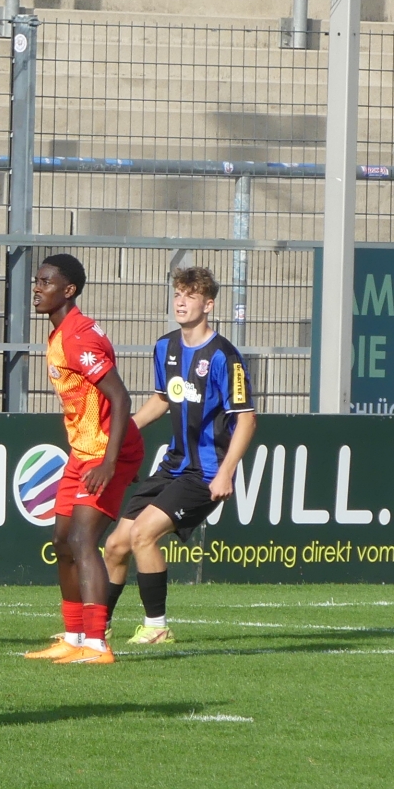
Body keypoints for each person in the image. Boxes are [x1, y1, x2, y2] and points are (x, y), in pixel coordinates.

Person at [103, 266, 256, 646]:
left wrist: (226, 472)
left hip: (205, 472)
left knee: (142, 534)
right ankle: (96, 628)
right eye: (177, 295)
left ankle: (157, 627)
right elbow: (162, 398)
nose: (181, 302)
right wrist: (124, 433)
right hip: (173, 465)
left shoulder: (224, 356)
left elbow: (247, 419)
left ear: (209, 304)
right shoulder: (165, 347)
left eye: (190, 296)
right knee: (116, 545)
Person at [23, 254, 144, 666]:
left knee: (81, 540)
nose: (37, 288)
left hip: (108, 452)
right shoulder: (62, 332)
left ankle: (97, 643)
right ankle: (74, 636)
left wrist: (110, 463)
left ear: (69, 290)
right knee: (62, 541)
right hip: (84, 451)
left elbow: (121, 397)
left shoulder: (77, 337)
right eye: (37, 280)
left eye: (46, 282)